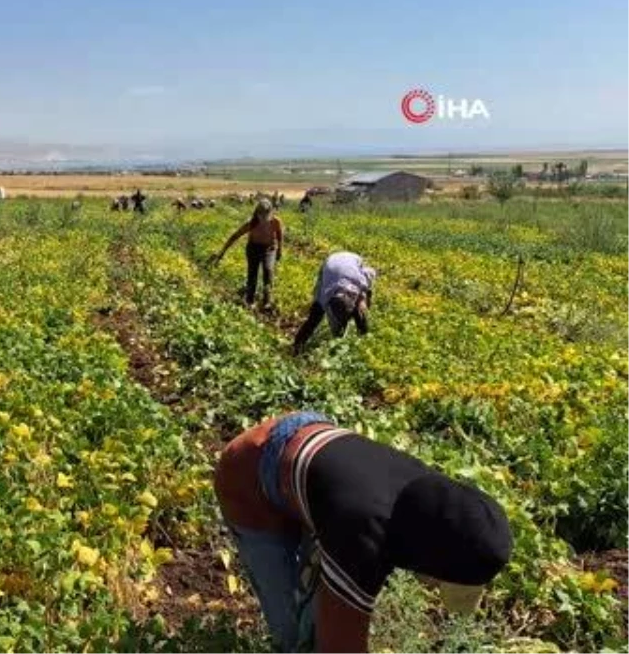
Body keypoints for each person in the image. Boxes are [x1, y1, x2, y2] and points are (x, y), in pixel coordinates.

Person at [214, 411, 512, 653]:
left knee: (315, 611)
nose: (433, 588)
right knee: (293, 636)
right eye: (438, 581)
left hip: (315, 447)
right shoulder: (363, 538)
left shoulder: (431, 502)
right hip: (248, 475)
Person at [292, 251, 376, 354]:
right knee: (315, 316)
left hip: (351, 261)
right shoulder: (324, 297)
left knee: (359, 311)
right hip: (331, 263)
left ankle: (363, 342)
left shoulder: (359, 280)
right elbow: (320, 306)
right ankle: (297, 345)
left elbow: (371, 273)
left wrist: (364, 298)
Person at [208, 199, 284, 309]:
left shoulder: (276, 222)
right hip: (253, 248)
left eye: (265, 216)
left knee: (268, 270)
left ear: (270, 213)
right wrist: (222, 252)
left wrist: (280, 250)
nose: (263, 219)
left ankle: (267, 300)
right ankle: (250, 300)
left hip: (269, 249)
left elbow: (280, 236)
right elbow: (235, 236)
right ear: (257, 214)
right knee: (252, 274)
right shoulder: (251, 223)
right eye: (261, 216)